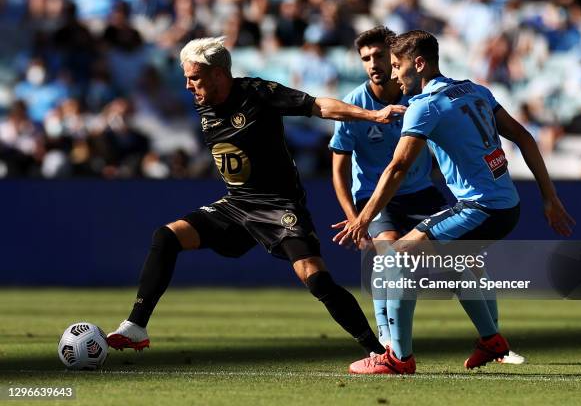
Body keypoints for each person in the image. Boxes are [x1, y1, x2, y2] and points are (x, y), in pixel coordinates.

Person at [107, 37, 407, 358]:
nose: (188, 85)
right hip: (237, 204)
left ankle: (379, 353)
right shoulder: (204, 102)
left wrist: (373, 116)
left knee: (316, 279)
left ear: (219, 74)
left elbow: (318, 105)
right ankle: (136, 326)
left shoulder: (257, 93)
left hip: (279, 206)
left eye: (194, 77)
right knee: (166, 236)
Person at [333, 30, 575, 374]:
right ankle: (491, 340)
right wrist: (549, 197)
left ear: (418, 64)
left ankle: (398, 358)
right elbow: (523, 135)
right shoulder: (476, 89)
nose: (395, 73)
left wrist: (362, 219)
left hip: (480, 208)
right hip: (507, 204)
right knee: (461, 265)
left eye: (398, 65)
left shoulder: (424, 106)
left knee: (396, 260)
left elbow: (398, 167)